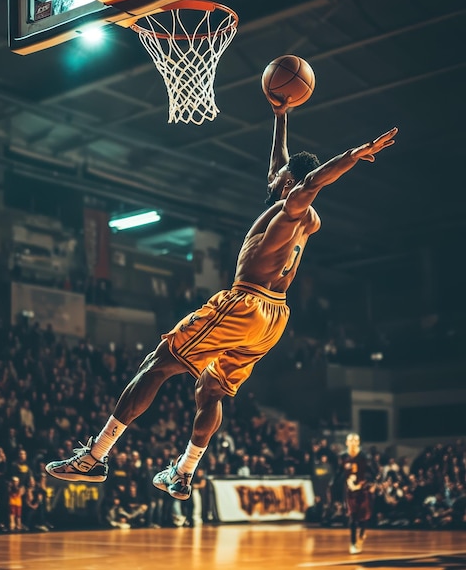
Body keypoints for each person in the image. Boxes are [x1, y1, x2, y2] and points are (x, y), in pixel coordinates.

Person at [45, 97, 397, 501]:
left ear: (289, 184)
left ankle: (95, 457)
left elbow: (310, 181)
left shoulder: (292, 209)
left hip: (245, 304)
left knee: (157, 365)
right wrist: (281, 117)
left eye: (279, 176)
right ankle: (183, 472)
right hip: (274, 319)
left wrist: (355, 153)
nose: (272, 176)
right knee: (211, 390)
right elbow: (287, 169)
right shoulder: (306, 218)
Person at [334, 433, 376, 554]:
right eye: (350, 440)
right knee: (352, 517)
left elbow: (373, 472)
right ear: (346, 443)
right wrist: (332, 485)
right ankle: (352, 543)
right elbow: (338, 472)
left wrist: (372, 484)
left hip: (363, 490)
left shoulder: (364, 456)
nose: (352, 443)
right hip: (350, 491)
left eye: (355, 440)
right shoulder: (343, 456)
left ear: (358, 442)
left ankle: (362, 533)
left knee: (363, 517)